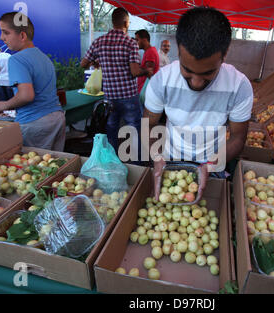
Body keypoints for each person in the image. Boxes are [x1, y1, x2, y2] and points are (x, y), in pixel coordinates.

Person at [143, 7, 253, 201]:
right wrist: (157, 158)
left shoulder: (239, 87)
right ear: (179, 49)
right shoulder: (160, 81)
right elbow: (148, 125)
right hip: (170, 162)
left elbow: (238, 137)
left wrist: (209, 166)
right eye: (187, 71)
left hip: (212, 165)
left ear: (225, 54)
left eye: (208, 73)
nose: (196, 82)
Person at [80, 7, 152, 152]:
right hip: (128, 96)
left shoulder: (98, 42)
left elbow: (83, 64)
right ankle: (138, 165)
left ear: (113, 22)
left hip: (110, 97)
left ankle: (114, 163)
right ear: (126, 23)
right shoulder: (130, 43)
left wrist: (95, 62)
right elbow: (135, 71)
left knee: (112, 130)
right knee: (135, 130)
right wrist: (146, 71)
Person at [0, 12, 66, 151]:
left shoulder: (16, 59)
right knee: (54, 165)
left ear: (22, 35)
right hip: (56, 118)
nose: (1, 38)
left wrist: (5, 105)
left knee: (35, 169)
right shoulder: (44, 57)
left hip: (34, 123)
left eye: (6, 32)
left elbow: (26, 95)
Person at [134, 29, 159, 95]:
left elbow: (150, 73)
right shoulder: (148, 51)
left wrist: (136, 70)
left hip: (145, 91)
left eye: (137, 40)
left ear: (144, 40)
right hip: (143, 90)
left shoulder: (150, 52)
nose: (135, 43)